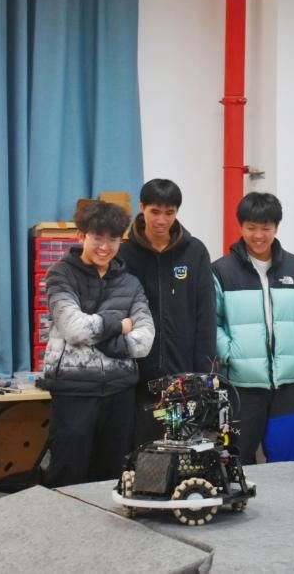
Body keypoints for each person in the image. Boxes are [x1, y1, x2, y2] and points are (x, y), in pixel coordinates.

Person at [42, 200, 154, 487]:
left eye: (113, 239)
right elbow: (74, 328)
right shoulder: (60, 274)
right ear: (81, 235)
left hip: (120, 392)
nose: (105, 247)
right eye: (98, 237)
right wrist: (119, 325)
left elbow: (144, 340)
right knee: (68, 476)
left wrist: (109, 343)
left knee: (112, 478)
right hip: (74, 391)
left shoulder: (131, 284)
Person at [212, 192, 294, 464]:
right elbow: (211, 321)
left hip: (287, 387)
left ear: (276, 227)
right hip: (240, 388)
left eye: (266, 228)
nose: (258, 235)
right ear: (241, 226)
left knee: (286, 465)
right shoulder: (221, 271)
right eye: (251, 227)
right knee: (237, 463)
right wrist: (229, 353)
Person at [118, 178, 216, 450]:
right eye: (155, 211)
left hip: (182, 380)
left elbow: (206, 315)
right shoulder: (124, 253)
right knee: (142, 452)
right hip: (137, 379)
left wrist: (203, 374)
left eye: (169, 212)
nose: (162, 220)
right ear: (141, 208)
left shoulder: (195, 252)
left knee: (179, 451)